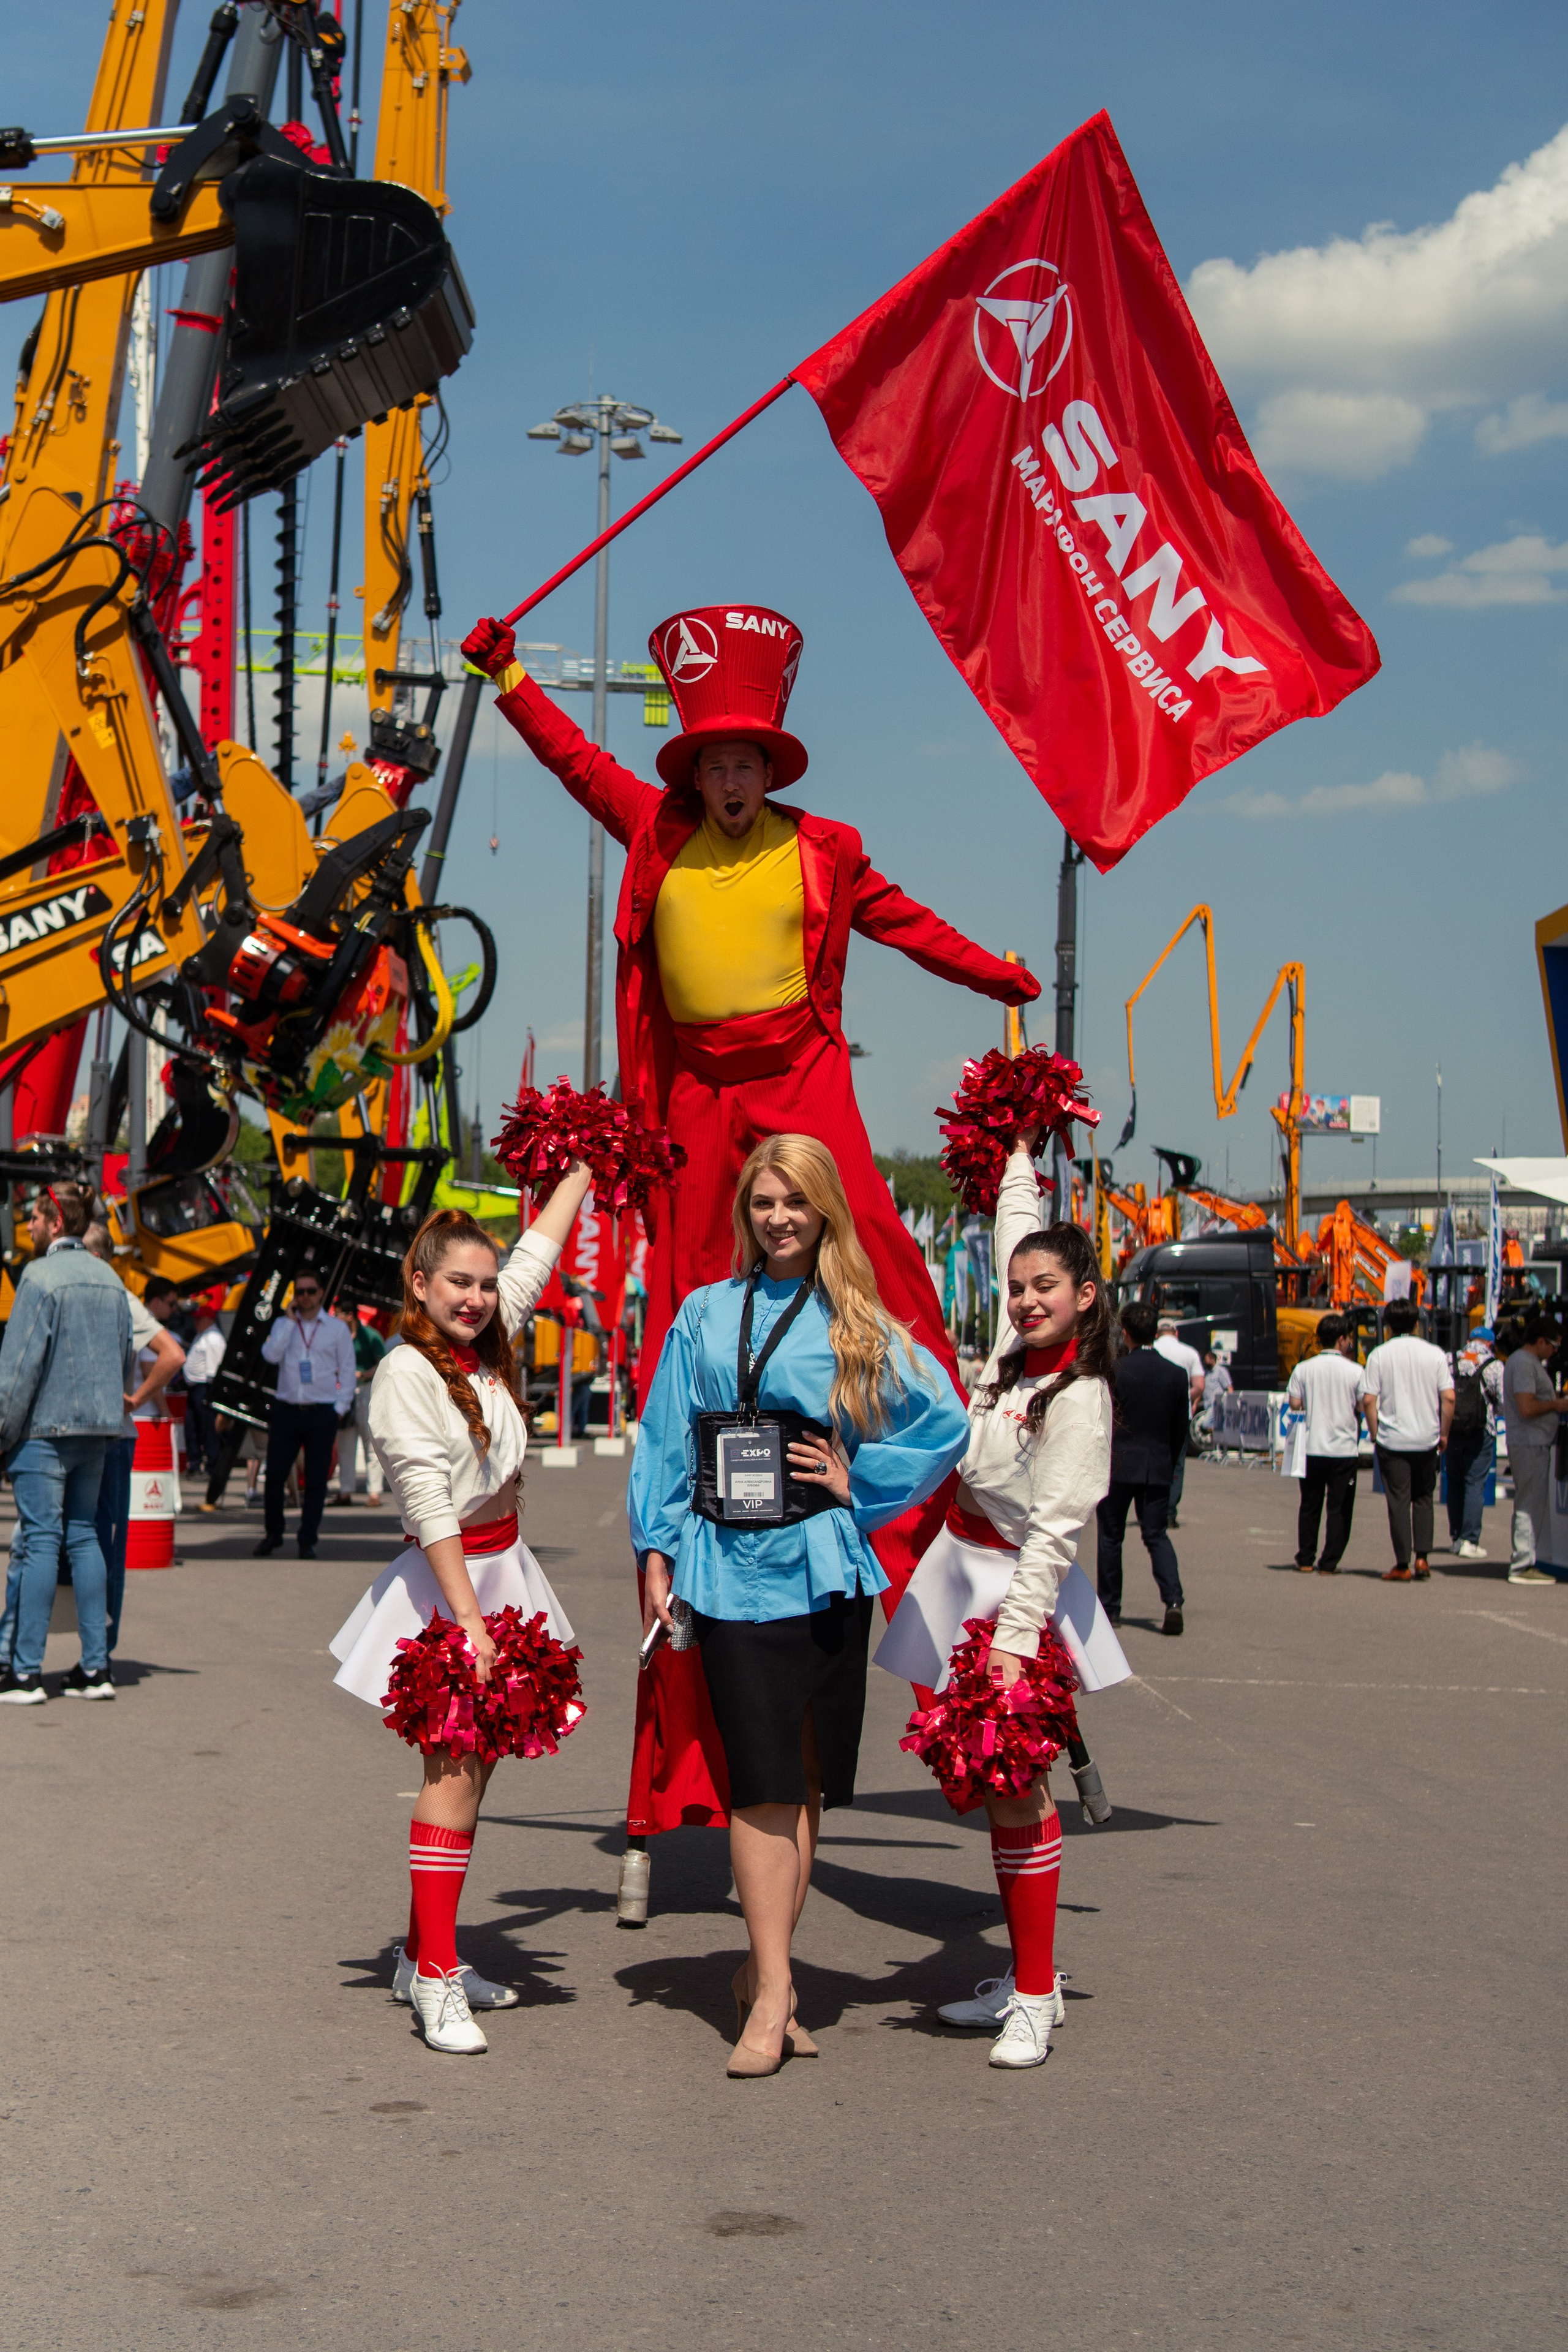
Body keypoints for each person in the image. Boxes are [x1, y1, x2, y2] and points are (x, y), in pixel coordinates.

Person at [463, 603, 1036, 1857]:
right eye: (712, 763)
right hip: (691, 1102)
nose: (728, 780)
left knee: (874, 1278)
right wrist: (507, 675)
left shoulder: (823, 847)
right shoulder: (653, 825)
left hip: (797, 1080)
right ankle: (705, 1594)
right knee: (696, 1325)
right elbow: (572, 766)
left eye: (745, 764)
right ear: (694, 773)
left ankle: (921, 1496)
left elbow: (905, 923)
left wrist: (990, 978)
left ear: (771, 769)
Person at [630, 1134, 968, 2078]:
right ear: (746, 1211)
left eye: (794, 1202)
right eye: (763, 1202)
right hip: (729, 1568)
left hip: (823, 1567)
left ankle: (759, 1973)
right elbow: (663, 1438)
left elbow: (945, 1421)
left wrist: (861, 1481)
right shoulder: (703, 1313)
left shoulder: (856, 1320)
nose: (777, 1218)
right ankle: (777, 1991)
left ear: (825, 1210)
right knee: (760, 1779)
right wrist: (655, 1550)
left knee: (809, 1780)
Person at [875, 1129, 1124, 2067]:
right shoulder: (1012, 1362)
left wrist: (1016, 1642)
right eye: (1017, 1289)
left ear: (1085, 1297)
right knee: (995, 1790)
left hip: (1017, 1594)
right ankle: (1031, 1978)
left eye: (1043, 1290)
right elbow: (1020, 1221)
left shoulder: (1081, 1396)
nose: (1024, 1301)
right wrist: (1017, 1147)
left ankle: (1032, 1994)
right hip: (960, 1573)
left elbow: (1058, 1532)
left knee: (1016, 1787)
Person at [330, 1172, 594, 2053]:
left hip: (503, 1572)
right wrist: (472, 1626)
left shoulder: (484, 1340)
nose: (480, 1299)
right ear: (419, 1284)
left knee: (476, 1775)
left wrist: (584, 1167)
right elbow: (430, 1509)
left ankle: (423, 1954)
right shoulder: (407, 1373)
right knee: (452, 1774)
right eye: (460, 1285)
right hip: (453, 1589)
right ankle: (437, 1978)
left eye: (485, 1286)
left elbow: (537, 1258)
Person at [0, 1183, 132, 1703]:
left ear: (56, 1224)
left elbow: (18, 1369)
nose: (28, 1227)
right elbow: (124, 1358)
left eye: (33, 1218)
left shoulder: (39, 1277)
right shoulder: (110, 1278)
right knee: (83, 1538)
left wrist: (3, 1433)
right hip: (97, 1432)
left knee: (39, 1541)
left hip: (43, 1432)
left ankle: (26, 1672)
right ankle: (96, 1668)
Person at [82, 1221, 184, 1661]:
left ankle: (98, 1651)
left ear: (99, 1258)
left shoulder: (119, 1298)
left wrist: (136, 1401)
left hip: (105, 1437)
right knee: (84, 1540)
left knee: (99, 1541)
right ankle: (89, 1650)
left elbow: (173, 1355)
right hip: (92, 1434)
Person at [1097, 1301, 1189, 1633]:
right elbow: (1182, 1427)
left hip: (1119, 1464)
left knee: (1111, 1538)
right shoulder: (1177, 1375)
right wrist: (1169, 1457)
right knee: (1156, 1535)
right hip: (1157, 1464)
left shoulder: (1115, 1371)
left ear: (1125, 1333)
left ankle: (1111, 1608)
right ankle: (1173, 1600)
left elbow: (1103, 1419)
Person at [254, 1271, 358, 1559]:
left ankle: (307, 1538)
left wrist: (339, 1409)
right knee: (274, 1476)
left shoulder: (336, 1329)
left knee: (316, 1481)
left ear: (321, 1293)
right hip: (287, 1409)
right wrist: (288, 1321)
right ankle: (273, 1533)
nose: (305, 1297)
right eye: (300, 1292)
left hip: (322, 1411)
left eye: (311, 1291)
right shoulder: (283, 1324)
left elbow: (348, 1370)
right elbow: (270, 1355)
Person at [1362, 1298, 1455, 1582]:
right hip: (1426, 1438)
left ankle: (1402, 1564)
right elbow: (1449, 1397)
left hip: (1393, 1440)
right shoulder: (1436, 1354)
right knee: (1424, 1498)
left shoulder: (1379, 1355)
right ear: (1417, 1324)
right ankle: (1423, 1558)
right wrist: (1444, 1433)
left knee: (1399, 1500)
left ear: (1387, 1326)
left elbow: (1368, 1400)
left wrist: (1375, 1433)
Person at [1286, 1315, 1366, 1574]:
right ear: (1342, 1339)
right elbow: (1362, 1405)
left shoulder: (1304, 1369)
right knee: (1339, 1507)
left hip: (1311, 1446)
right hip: (1343, 1449)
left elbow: (1295, 1404)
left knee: (1310, 1504)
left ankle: (1306, 1558)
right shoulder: (1355, 1371)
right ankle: (1329, 1561)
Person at [1501, 1313, 1568, 1586]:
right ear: (1541, 1341)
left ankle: (1525, 1560)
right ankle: (1522, 1564)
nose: (1555, 1352)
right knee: (1530, 1505)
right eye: (1554, 1346)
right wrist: (1557, 1405)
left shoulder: (1524, 1362)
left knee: (1530, 1503)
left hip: (1531, 1442)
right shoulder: (1525, 1364)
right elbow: (1527, 1407)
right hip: (1529, 1443)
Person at [1445, 1324, 1505, 1561]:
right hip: (1481, 1430)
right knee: (1474, 1484)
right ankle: (1471, 1540)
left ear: (1470, 1339)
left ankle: (1457, 1537)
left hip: (1452, 1429)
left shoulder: (1450, 1359)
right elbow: (1502, 1402)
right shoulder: (1494, 1365)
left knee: (1455, 1482)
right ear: (1490, 1344)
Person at [330, 1307, 386, 1508]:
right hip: (344, 1391)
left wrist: (363, 1375)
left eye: (338, 1314)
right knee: (345, 1442)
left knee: (370, 1441)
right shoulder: (337, 1335)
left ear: (350, 1315)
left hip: (366, 1390)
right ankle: (345, 1491)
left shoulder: (370, 1336)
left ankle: (374, 1492)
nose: (335, 1318)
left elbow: (382, 1363)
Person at [1153, 1316, 1204, 1526]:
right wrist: (1184, 1396)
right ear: (1176, 1333)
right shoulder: (1190, 1352)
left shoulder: (1151, 1348)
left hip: (1153, 1414)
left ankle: (1152, 1508)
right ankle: (1170, 1510)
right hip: (1180, 1415)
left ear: (1157, 1333)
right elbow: (1199, 1385)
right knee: (1177, 1463)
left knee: (1154, 1460)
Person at [180, 1295, 225, 1479]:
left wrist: (211, 1395)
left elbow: (213, 1370)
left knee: (207, 1429)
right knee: (194, 1428)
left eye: (199, 1319)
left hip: (205, 1388)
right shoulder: (204, 1335)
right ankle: (196, 1463)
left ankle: (212, 1466)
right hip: (197, 1387)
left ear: (208, 1320)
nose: (196, 1322)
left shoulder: (213, 1338)